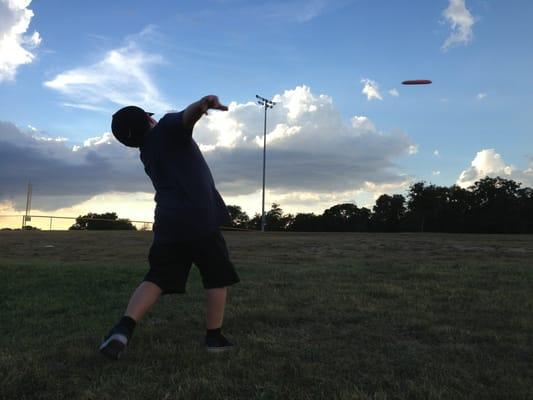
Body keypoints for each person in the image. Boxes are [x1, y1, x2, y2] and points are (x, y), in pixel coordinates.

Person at [100, 95, 240, 360]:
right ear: (150, 119)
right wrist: (200, 106)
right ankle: (214, 337)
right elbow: (184, 119)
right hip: (200, 218)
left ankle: (124, 328)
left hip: (168, 222)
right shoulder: (165, 129)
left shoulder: (146, 151)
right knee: (216, 275)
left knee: (158, 277)